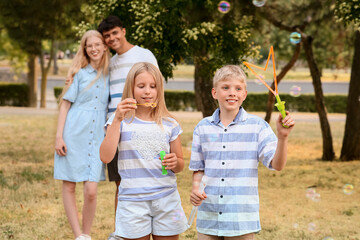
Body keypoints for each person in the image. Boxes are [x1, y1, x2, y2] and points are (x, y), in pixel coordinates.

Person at [189, 65, 295, 240]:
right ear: (214, 93)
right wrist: (195, 189)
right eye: (226, 87)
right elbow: (199, 168)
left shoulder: (257, 126)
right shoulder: (202, 128)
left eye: (238, 88)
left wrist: (282, 137)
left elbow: (277, 165)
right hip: (209, 214)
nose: (232, 93)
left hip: (241, 217)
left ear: (244, 94)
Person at [100, 62, 187, 240]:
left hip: (167, 199)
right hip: (132, 202)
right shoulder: (121, 122)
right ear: (131, 88)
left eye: (153, 86)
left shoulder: (170, 123)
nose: (147, 91)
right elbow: (106, 157)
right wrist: (116, 119)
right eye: (141, 86)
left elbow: (180, 164)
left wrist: (175, 162)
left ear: (159, 89)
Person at [97, 16, 159, 240]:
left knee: (147, 179)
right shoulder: (110, 63)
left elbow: (156, 86)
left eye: (114, 33)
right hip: (116, 125)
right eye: (106, 36)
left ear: (123, 31)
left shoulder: (143, 55)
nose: (111, 38)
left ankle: (150, 225)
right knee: (120, 183)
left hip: (142, 124)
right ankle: (121, 232)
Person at [54, 30, 110, 240]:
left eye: (97, 44)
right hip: (73, 133)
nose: (94, 49)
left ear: (105, 47)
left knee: (91, 190)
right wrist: (59, 136)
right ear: (85, 49)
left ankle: (87, 231)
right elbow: (65, 105)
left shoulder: (110, 75)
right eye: (89, 46)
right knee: (69, 184)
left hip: (97, 138)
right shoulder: (78, 73)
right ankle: (80, 236)